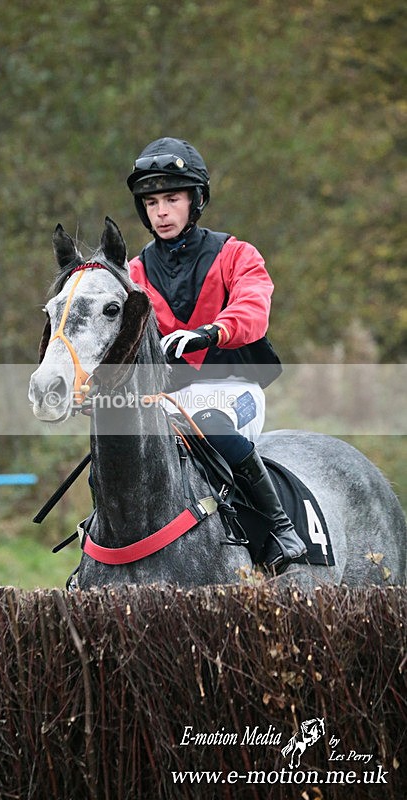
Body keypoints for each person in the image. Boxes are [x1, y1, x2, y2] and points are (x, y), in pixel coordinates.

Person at [126, 137, 306, 573]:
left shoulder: (237, 254)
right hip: (168, 399)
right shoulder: (133, 272)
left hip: (231, 390)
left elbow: (252, 310)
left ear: (196, 200)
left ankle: (282, 529)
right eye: (151, 202)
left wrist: (209, 333)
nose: (162, 211)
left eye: (172, 198)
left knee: (207, 424)